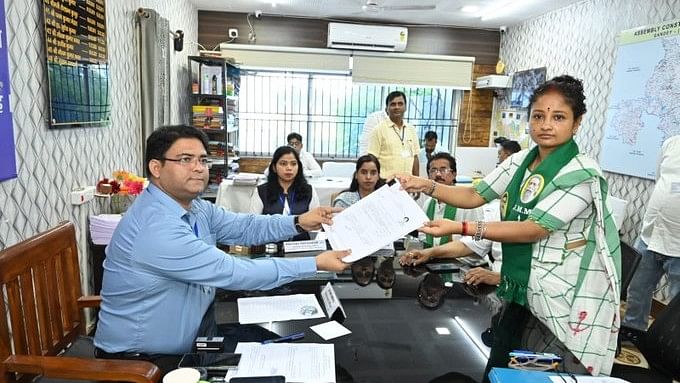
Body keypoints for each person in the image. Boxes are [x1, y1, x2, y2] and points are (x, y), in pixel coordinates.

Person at [397, 75, 621, 379]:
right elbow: (475, 194)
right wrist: (426, 185)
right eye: (538, 116)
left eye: (558, 117)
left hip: (560, 292)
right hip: (519, 285)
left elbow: (534, 228)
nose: (546, 125)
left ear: (577, 122)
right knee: (506, 362)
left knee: (546, 368)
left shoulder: (582, 173)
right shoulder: (519, 162)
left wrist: (464, 227)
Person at [94, 125, 350, 375]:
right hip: (143, 363)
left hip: (200, 330)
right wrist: (314, 263)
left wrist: (298, 221)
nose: (198, 168)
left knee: (296, 351)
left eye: (203, 160)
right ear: (156, 168)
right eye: (185, 159)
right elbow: (233, 271)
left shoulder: (194, 206)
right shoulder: (156, 227)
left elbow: (245, 226)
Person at [621, 135, 680, 339]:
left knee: (676, 305)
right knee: (637, 288)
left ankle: (671, 345)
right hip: (651, 235)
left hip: (678, 245)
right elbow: (659, 179)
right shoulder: (671, 143)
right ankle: (633, 331)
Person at [250, 146, 320, 241]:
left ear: (298, 167)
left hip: (300, 247)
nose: (289, 168)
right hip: (270, 246)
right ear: (274, 167)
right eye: (283, 164)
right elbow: (254, 224)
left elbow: (315, 224)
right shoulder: (261, 191)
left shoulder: (309, 191)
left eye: (293, 164)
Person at [421, 152, 484, 248]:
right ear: (429, 176)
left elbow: (478, 238)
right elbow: (423, 234)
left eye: (443, 170)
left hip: (463, 260)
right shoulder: (428, 203)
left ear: (454, 174)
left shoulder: (467, 201)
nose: (438, 174)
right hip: (434, 258)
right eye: (433, 170)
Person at [368, 91, 420, 178]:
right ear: (386, 109)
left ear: (405, 107)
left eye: (400, 104)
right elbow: (372, 158)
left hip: (408, 183)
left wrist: (417, 181)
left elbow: (415, 157)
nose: (397, 107)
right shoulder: (378, 130)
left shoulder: (411, 129)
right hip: (386, 182)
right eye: (393, 104)